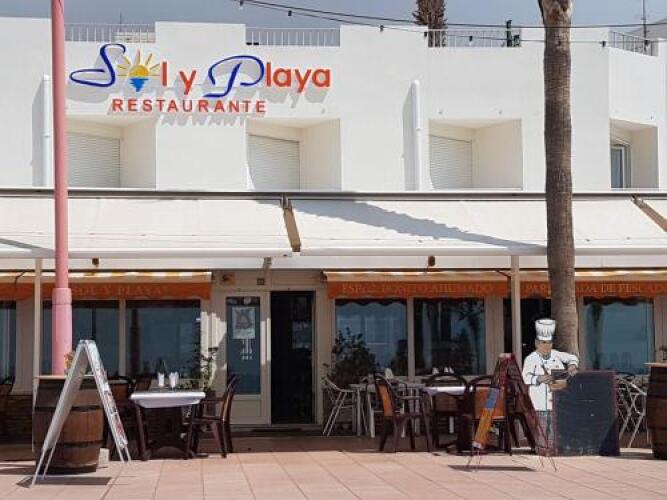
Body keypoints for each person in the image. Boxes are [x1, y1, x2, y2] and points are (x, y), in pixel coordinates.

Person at [522, 318, 578, 447]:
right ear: (537, 343)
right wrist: (538, 379)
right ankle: (542, 447)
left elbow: (572, 358)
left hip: (556, 399)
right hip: (539, 401)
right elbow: (525, 377)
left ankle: (554, 447)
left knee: (554, 427)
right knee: (542, 427)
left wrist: (572, 365)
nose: (547, 346)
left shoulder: (556, 355)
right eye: (543, 343)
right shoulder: (531, 359)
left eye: (549, 343)